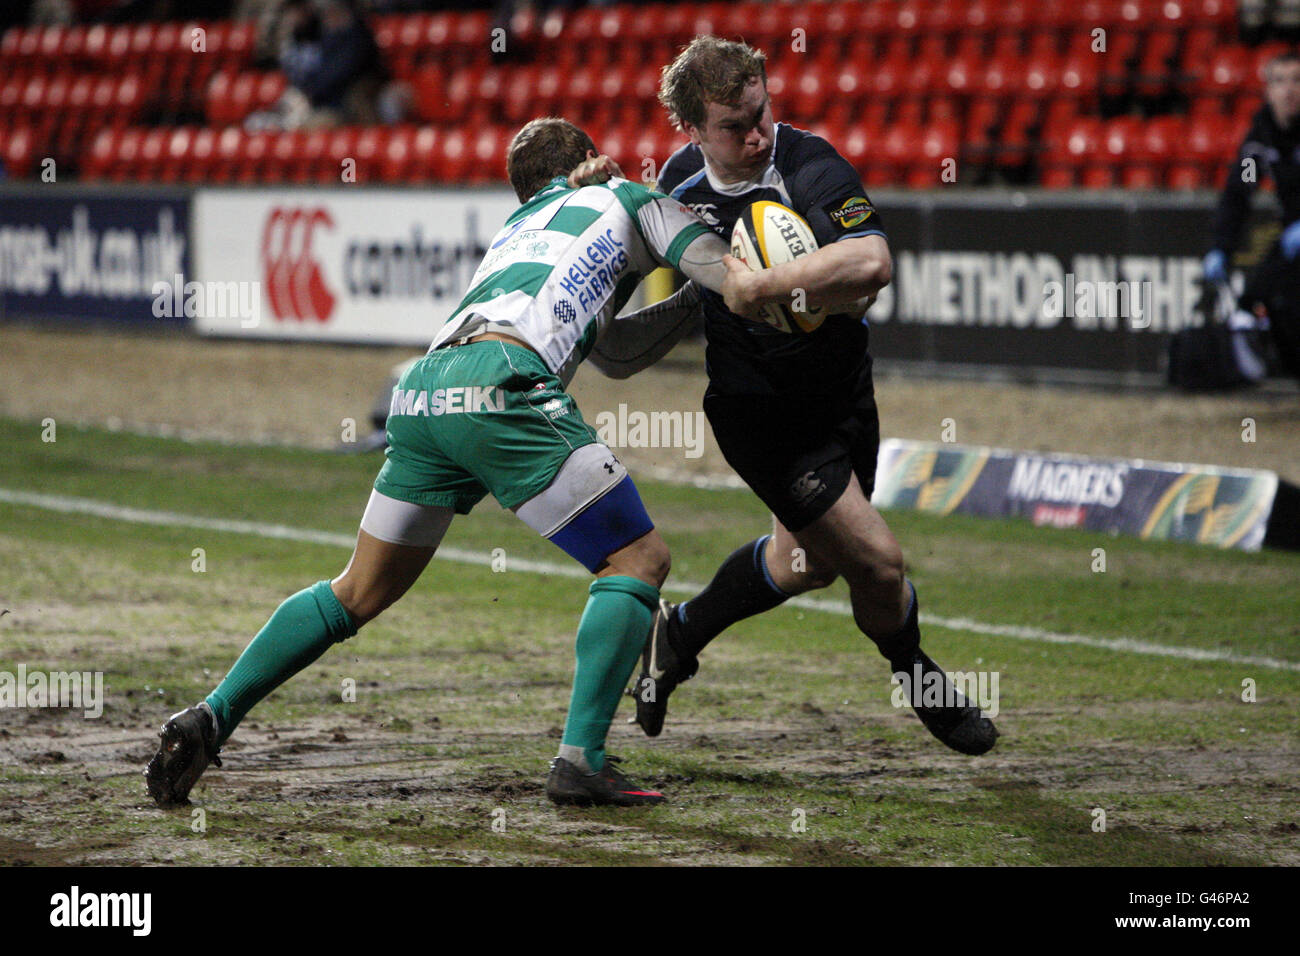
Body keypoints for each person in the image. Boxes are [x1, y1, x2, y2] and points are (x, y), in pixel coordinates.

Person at [144, 117, 810, 809]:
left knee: (356, 593)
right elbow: (734, 280)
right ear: (588, 158)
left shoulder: (518, 230)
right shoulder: (631, 200)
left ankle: (210, 715)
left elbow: (609, 350)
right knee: (637, 560)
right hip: (502, 382)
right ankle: (581, 761)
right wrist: (805, 286)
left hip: (424, 388)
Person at [597, 37, 998, 755]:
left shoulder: (807, 163)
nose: (756, 134)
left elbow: (874, 259)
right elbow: (613, 273)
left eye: (761, 113)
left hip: (841, 395)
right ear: (692, 130)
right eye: (734, 126)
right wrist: (597, 194)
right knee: (877, 562)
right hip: (759, 415)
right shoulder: (677, 190)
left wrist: (761, 284)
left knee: (804, 566)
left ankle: (676, 636)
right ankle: (918, 676)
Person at [1202, 49, 1300, 381]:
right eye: (1279, 81)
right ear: (1267, 90)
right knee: (1257, 298)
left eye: (1297, 80)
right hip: (1293, 240)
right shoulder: (1261, 138)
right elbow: (1239, 192)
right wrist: (1221, 247)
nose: (1289, 90)